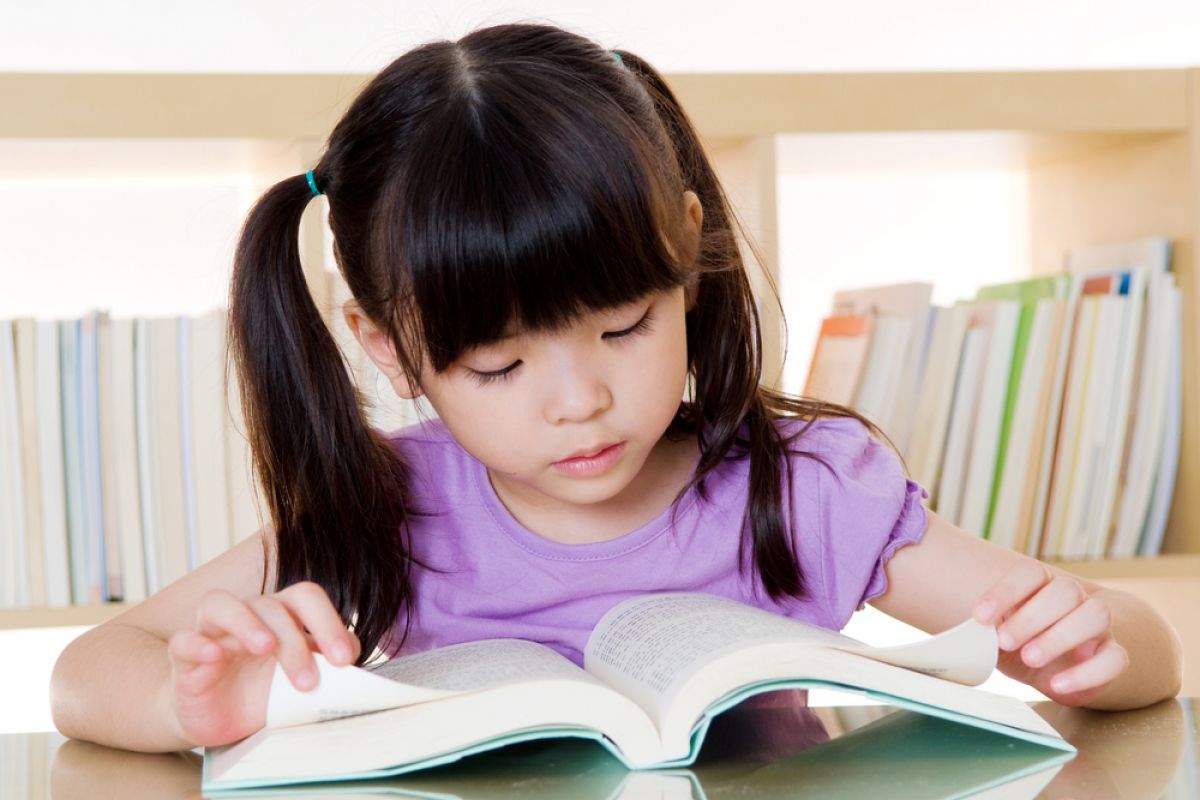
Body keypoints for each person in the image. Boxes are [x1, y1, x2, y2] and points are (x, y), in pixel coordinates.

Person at [50, 22, 1182, 754]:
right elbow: (85, 671)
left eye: (625, 324)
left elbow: (1142, 660)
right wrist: (192, 701)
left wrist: (1092, 641)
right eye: (498, 365)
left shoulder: (806, 486)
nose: (578, 399)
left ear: (687, 249)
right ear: (389, 346)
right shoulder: (383, 505)